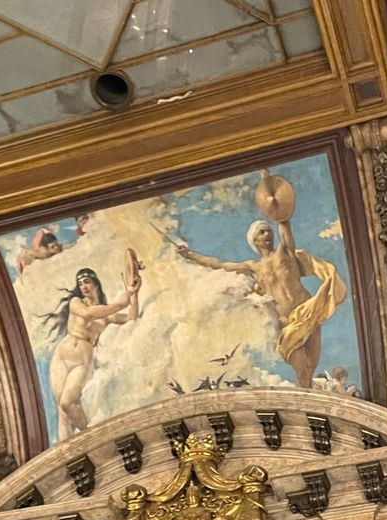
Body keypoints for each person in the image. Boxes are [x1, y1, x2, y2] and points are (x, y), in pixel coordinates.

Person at [177, 168, 347, 389]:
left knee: (311, 367)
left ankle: (309, 407)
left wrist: (267, 185)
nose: (268, 234)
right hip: (286, 323)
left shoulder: (285, 252)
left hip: (308, 310)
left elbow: (283, 217)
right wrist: (189, 255)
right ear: (254, 241)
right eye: (262, 232)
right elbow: (219, 264)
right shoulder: (253, 267)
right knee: (301, 371)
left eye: (268, 230)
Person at [42, 263, 141, 440]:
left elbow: (131, 318)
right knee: (62, 414)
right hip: (61, 357)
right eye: (80, 284)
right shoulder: (76, 302)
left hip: (82, 361)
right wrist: (120, 303)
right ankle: (68, 456)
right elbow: (87, 314)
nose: (84, 286)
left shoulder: (106, 313)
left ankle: (89, 436)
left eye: (87, 281)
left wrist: (133, 294)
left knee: (67, 403)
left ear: (95, 283)